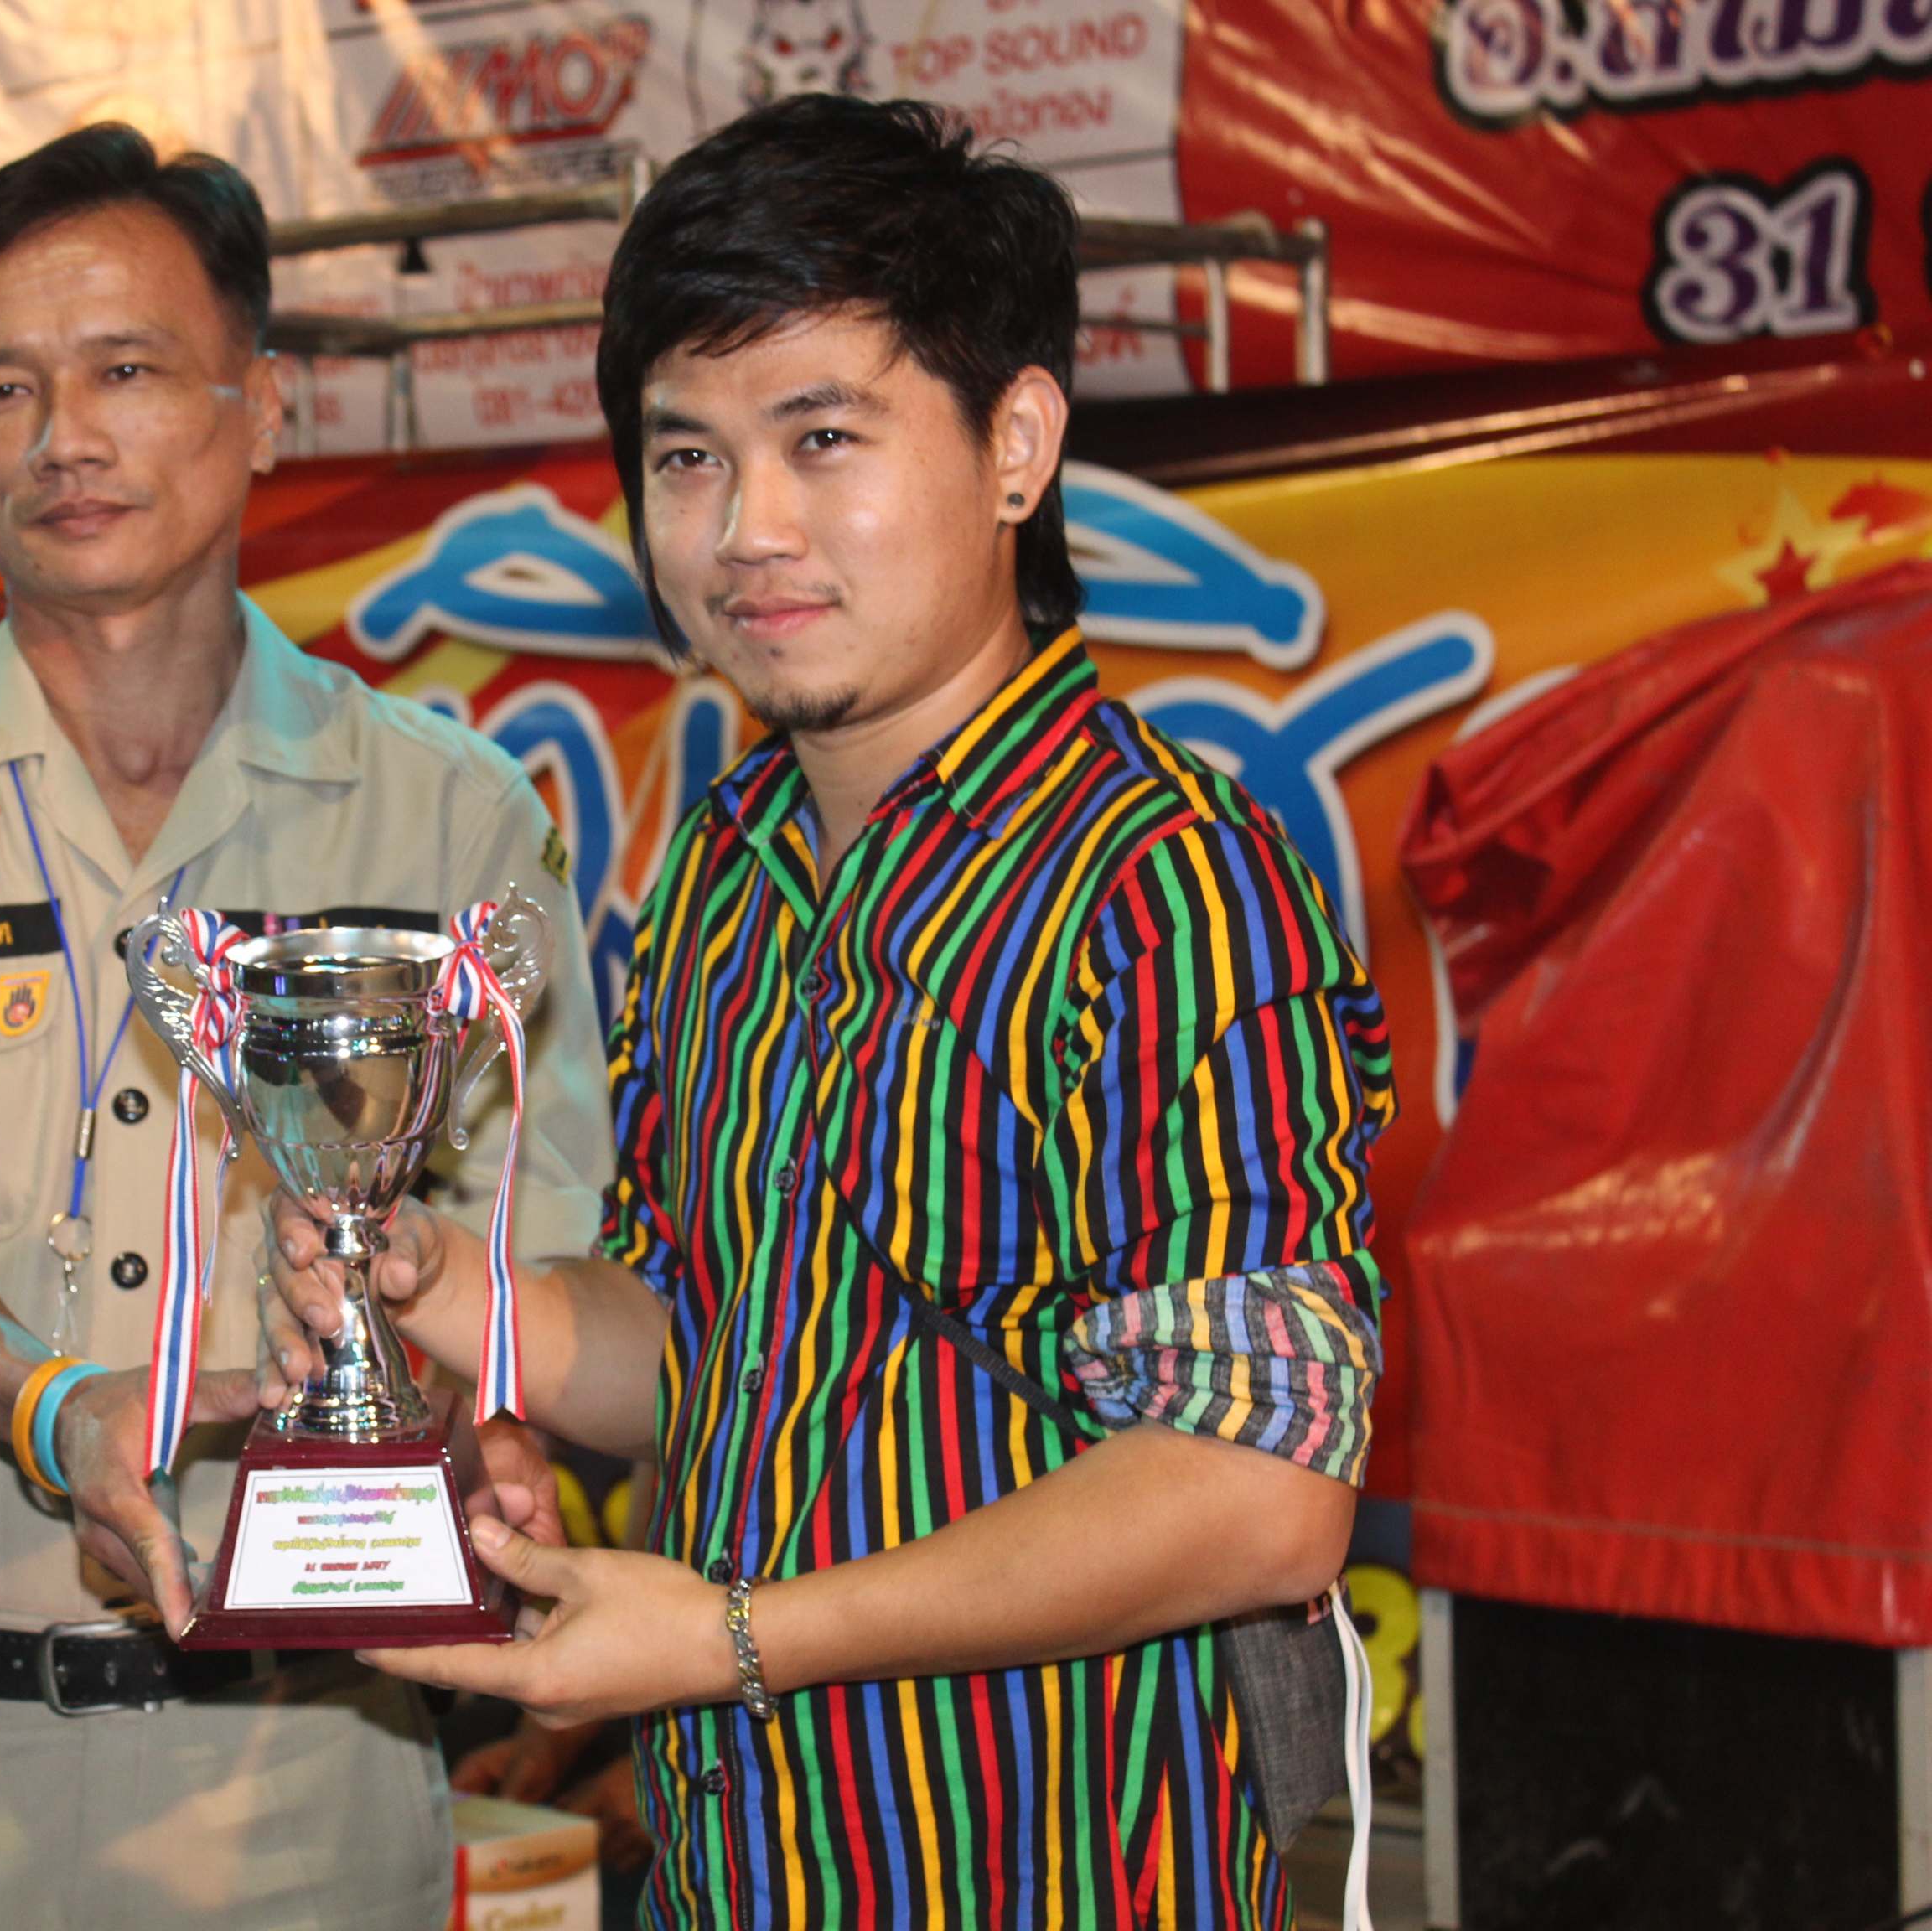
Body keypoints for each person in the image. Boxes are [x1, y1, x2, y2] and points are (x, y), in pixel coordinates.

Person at [264, 95, 1396, 1928]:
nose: (748, 529)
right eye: (687, 455)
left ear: (1016, 443)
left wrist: (731, 1634)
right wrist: (440, 1290)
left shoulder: (1166, 880)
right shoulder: (730, 869)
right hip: (737, 1870)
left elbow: (1257, 1488)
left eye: (823, 437)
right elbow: (706, 1343)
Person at [0, 124, 612, 1929]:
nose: (61, 435)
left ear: (261, 406)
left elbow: (538, 1255)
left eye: (125, 369)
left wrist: (445, 1405)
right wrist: (53, 1408)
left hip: (308, 1784)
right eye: (2, 387)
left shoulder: (448, 814)